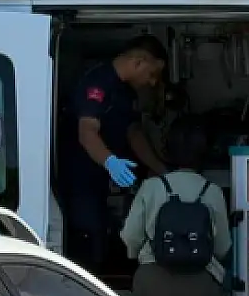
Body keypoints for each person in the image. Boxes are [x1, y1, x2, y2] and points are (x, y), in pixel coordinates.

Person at [121, 115, 231, 296]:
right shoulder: (211, 191)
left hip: (153, 280)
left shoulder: (151, 187)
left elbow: (130, 237)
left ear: (166, 150)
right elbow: (223, 246)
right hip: (200, 284)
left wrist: (137, 257)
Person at [57, 36, 169, 272]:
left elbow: (134, 134)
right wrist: (111, 162)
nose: (151, 83)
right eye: (152, 74)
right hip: (80, 182)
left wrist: (162, 170)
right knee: (87, 245)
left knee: (103, 239)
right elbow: (86, 131)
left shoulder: (124, 92)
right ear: (138, 62)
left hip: (99, 183)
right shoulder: (98, 82)